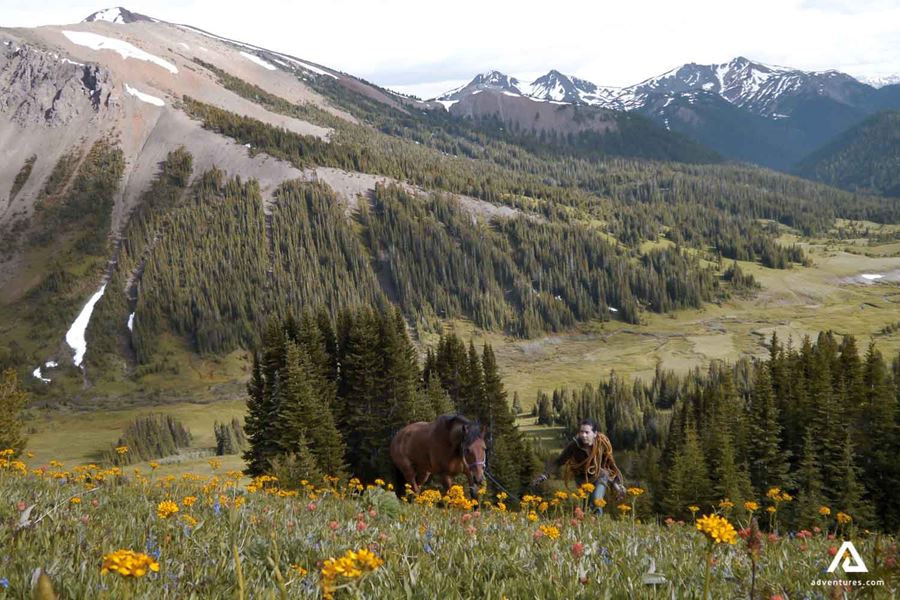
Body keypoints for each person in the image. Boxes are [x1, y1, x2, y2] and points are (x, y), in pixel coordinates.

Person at [533, 418, 625, 515]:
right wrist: (545, 475)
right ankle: (588, 524)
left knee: (596, 501)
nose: (583, 435)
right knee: (585, 505)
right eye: (581, 432)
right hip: (581, 478)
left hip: (600, 476)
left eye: (587, 432)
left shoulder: (602, 445)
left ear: (595, 433)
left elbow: (611, 465)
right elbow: (559, 461)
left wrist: (617, 484)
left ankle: (598, 524)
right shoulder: (574, 445)